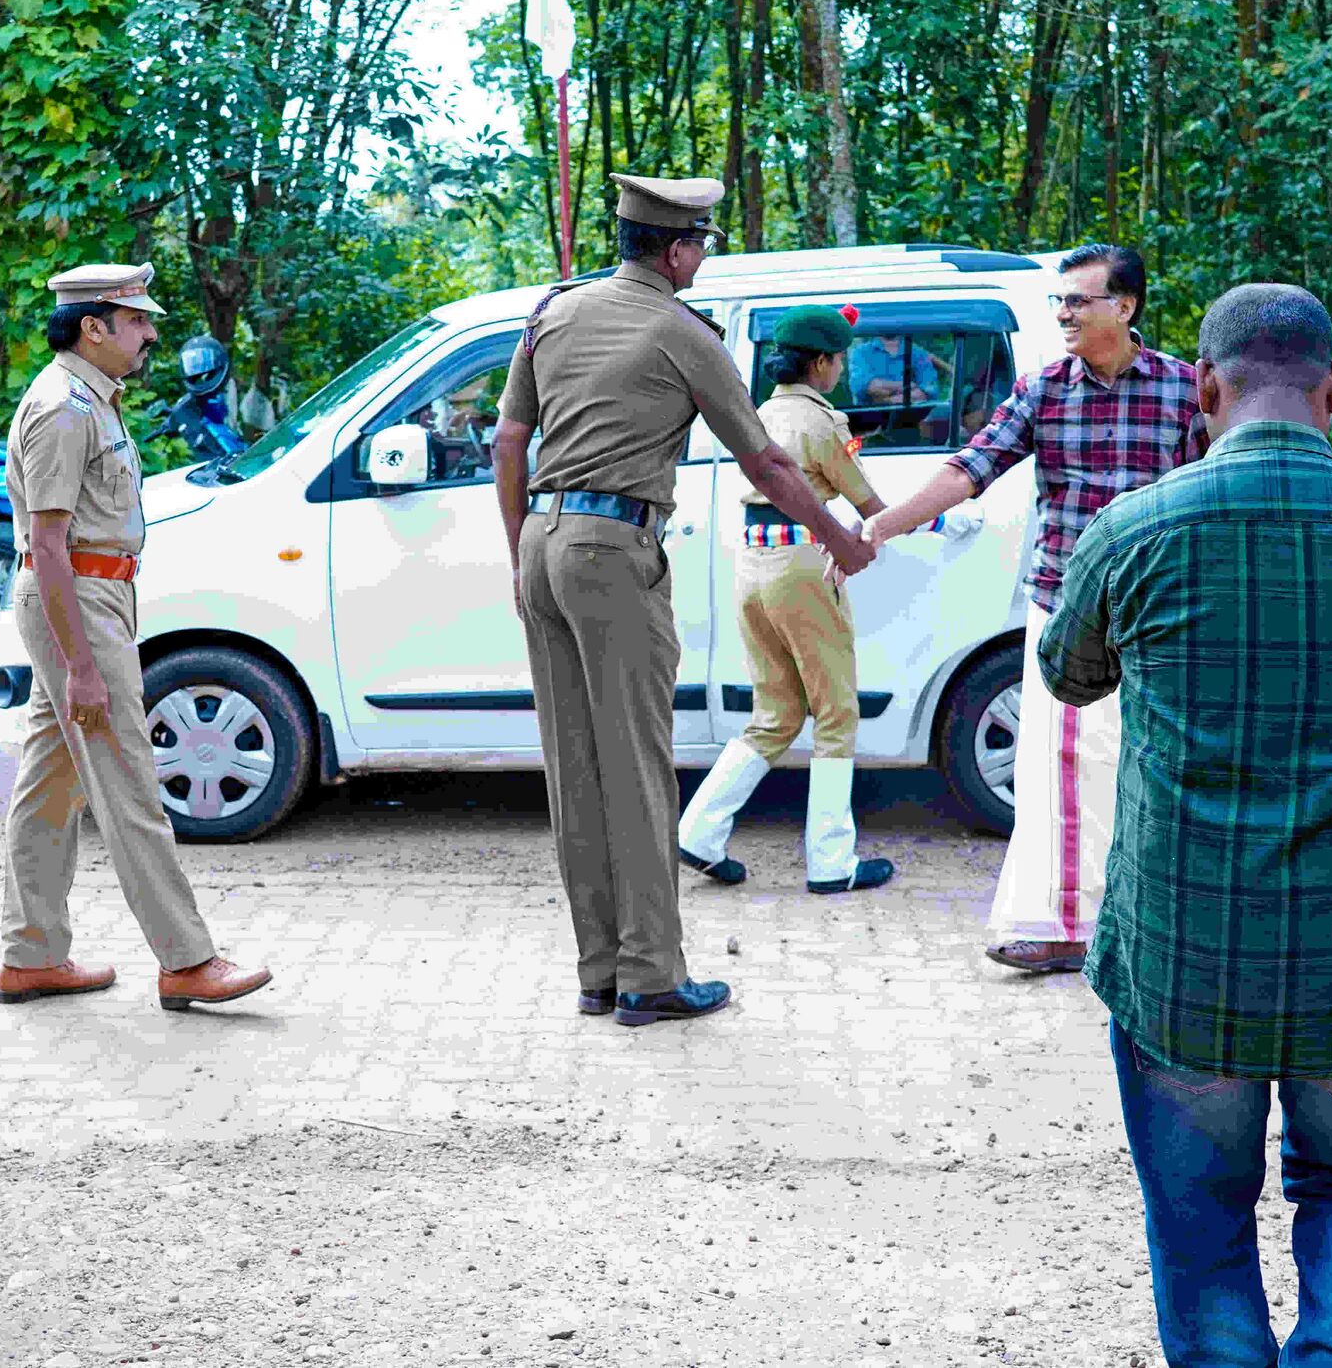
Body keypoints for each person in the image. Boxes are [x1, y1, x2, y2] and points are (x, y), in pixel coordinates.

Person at [1040, 283, 1332, 1368]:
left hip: (1186, 953)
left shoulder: (1135, 528)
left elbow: (1068, 674)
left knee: (1199, 1216)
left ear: (1205, 388)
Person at [491, 175, 876, 1027]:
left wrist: (520, 551)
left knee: (575, 770)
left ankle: (599, 972)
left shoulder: (553, 312)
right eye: (699, 242)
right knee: (635, 767)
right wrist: (840, 537)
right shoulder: (680, 330)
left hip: (543, 543)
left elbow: (510, 439)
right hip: (612, 548)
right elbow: (766, 461)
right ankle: (650, 977)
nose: (702, 255)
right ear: (674, 250)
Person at [864, 243, 1205, 975]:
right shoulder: (1043, 388)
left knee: (1156, 766)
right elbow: (971, 468)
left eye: (1079, 300)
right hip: (1065, 608)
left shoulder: (1184, 390)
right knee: (1056, 770)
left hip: (1157, 614)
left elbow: (1214, 494)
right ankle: (1057, 926)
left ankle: (1156, 927)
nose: (1064, 314)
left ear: (1126, 306)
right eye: (1060, 301)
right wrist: (882, 526)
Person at [0, 262, 272, 1014]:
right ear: (93, 327)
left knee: (50, 782)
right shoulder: (63, 407)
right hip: (76, 600)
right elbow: (48, 544)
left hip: (92, 594)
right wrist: (83, 665)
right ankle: (187, 960)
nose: (151, 334)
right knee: (129, 782)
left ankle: (31, 955)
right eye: (138, 320)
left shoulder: (91, 398)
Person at [676, 305, 898, 894]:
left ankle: (698, 833)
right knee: (836, 713)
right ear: (821, 363)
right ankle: (832, 862)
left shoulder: (760, 412)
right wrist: (932, 518)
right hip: (803, 565)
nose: (841, 370)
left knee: (774, 715)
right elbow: (868, 504)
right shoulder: (821, 422)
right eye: (840, 360)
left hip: (753, 563)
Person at [849, 330, 944, 406]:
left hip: (912, 420)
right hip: (870, 421)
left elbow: (926, 393)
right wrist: (909, 386)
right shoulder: (860, 353)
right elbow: (868, 387)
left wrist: (885, 399)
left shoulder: (919, 354)